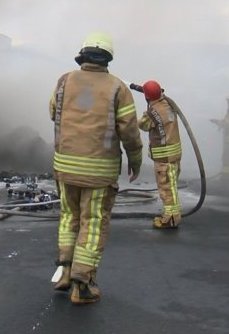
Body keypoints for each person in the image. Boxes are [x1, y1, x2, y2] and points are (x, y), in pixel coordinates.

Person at [49, 31, 143, 305]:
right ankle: (82, 285)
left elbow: (53, 112)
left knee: (69, 217)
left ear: (83, 55)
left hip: (64, 166)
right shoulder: (117, 88)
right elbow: (130, 131)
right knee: (92, 223)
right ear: (108, 58)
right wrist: (135, 159)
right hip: (99, 172)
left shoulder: (64, 81)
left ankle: (64, 273)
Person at [138, 80, 183, 229]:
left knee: (166, 189)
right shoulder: (168, 104)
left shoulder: (152, 112)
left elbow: (143, 125)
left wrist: (147, 109)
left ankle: (170, 219)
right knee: (172, 187)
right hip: (174, 154)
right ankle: (173, 216)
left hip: (164, 158)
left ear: (147, 96)